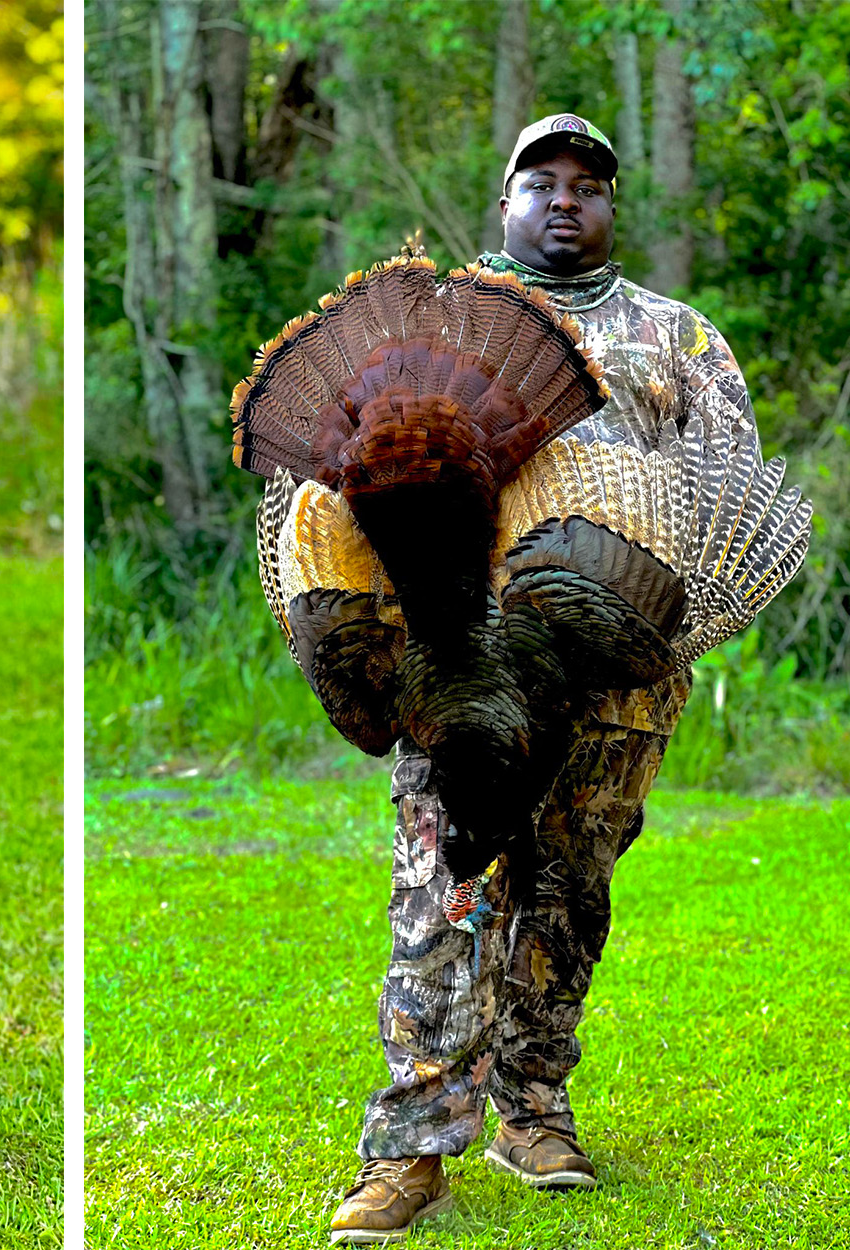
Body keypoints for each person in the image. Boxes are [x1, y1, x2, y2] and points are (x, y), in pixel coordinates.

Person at [327, 113, 763, 1245]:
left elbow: (722, 497)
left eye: (587, 184)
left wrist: (659, 632)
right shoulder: (441, 314)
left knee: (566, 892)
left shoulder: (679, 341)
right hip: (456, 662)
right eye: (540, 181)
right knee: (444, 889)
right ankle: (411, 1144)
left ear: (614, 206)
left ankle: (532, 1102)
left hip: (617, 680)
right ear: (503, 200)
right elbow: (352, 472)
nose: (563, 200)